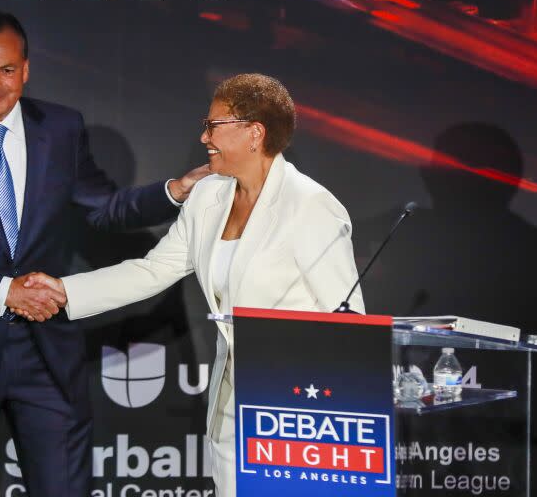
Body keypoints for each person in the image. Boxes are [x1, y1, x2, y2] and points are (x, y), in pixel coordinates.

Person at [0, 10, 209, 497]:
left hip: (46, 356)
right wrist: (5, 292)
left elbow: (104, 209)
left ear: (26, 68)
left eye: (7, 70)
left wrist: (174, 190)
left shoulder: (61, 128)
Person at [22, 73, 366, 497]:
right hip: (232, 403)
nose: (203, 137)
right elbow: (154, 270)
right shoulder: (209, 196)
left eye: (213, 126)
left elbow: (349, 321)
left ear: (254, 133)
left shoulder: (311, 206)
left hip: (299, 408)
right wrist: (64, 291)